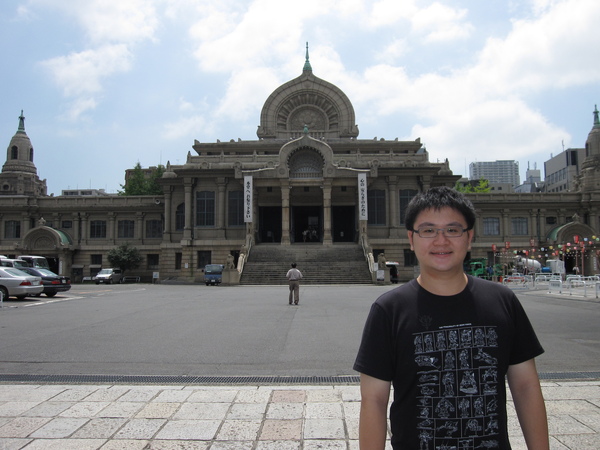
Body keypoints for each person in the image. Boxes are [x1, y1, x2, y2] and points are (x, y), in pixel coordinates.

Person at [354, 186, 548, 450]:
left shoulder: (502, 301)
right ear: (411, 239)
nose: (441, 240)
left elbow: (525, 386)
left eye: (453, 230)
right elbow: (374, 400)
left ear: (469, 238)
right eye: (428, 230)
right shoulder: (389, 310)